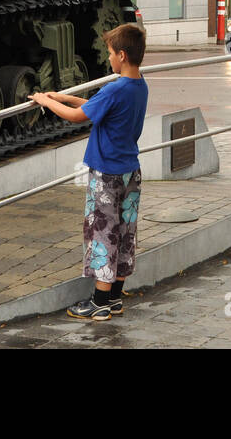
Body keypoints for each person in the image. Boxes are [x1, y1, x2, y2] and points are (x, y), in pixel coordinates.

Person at [31, 23, 148, 322]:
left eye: (110, 53)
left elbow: (76, 118)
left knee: (102, 235)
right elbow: (94, 108)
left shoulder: (115, 88)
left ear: (121, 55)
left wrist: (46, 101)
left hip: (106, 174)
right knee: (124, 233)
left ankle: (98, 303)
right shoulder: (138, 85)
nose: (108, 58)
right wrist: (65, 97)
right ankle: (114, 299)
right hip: (130, 173)